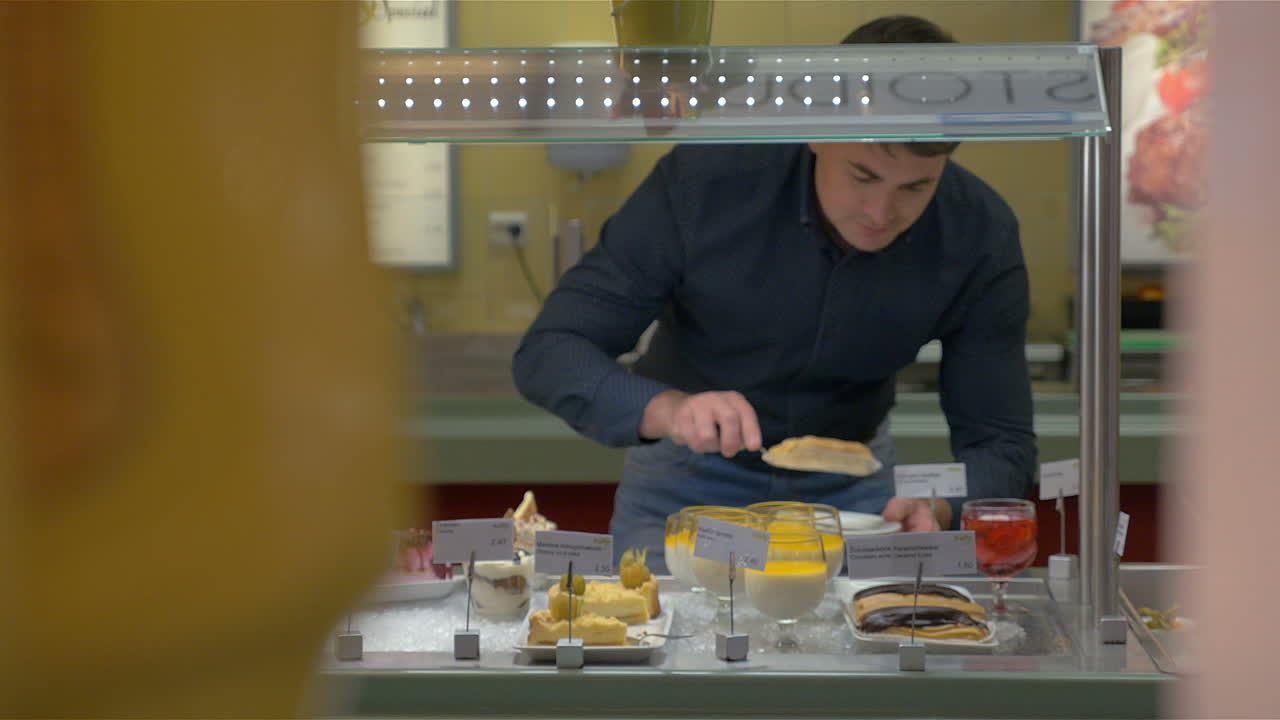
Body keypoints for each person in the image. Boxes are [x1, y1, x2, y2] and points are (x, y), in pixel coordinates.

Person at [513, 15, 1036, 572]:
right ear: (816, 131)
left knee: (861, 654)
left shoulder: (979, 231)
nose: (882, 214)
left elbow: (1001, 443)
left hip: (859, 494)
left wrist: (941, 505)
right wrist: (667, 410)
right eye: (862, 176)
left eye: (915, 187)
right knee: (671, 647)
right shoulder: (706, 182)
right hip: (688, 479)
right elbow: (551, 350)